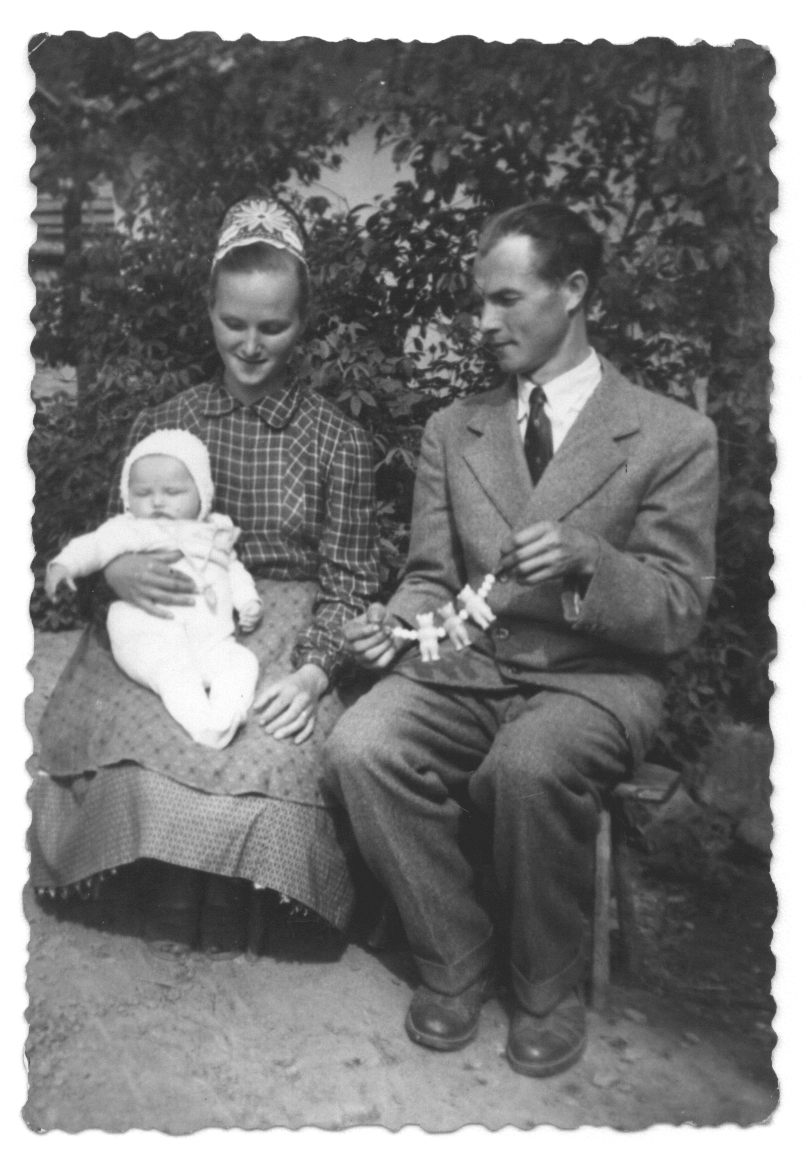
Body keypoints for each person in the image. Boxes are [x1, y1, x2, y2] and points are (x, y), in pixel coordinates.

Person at [323, 201, 718, 1077]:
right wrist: (396, 624)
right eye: (479, 302)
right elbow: (431, 577)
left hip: (596, 681)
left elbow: (678, 607)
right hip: (468, 667)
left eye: (505, 300)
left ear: (572, 290)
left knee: (529, 764)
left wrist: (590, 561)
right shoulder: (453, 428)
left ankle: (546, 984)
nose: (483, 322)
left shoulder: (671, 435)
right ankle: (453, 954)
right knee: (360, 744)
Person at [30, 196, 380, 957]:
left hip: (281, 622)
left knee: (268, 741)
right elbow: (115, 534)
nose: (250, 345)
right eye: (233, 323)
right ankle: (161, 878)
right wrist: (117, 572)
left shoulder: (339, 441)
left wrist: (315, 671)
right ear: (209, 312)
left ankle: (238, 895)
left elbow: (352, 583)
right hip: (165, 609)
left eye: (272, 326)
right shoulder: (167, 424)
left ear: (303, 321)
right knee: (140, 722)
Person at [45, 429, 263, 750]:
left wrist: (248, 601)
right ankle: (202, 724)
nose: (158, 501)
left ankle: (226, 715)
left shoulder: (214, 532)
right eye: (143, 493)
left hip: (211, 641)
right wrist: (64, 565)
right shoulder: (131, 529)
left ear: (202, 494)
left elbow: (233, 569)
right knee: (172, 670)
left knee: (242, 662)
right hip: (149, 632)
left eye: (173, 492)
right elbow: (95, 545)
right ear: (128, 496)